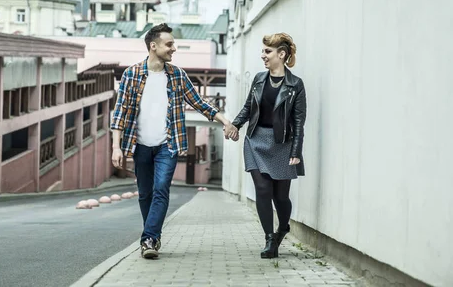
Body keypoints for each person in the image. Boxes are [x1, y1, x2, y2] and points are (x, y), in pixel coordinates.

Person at [110, 23, 238, 259]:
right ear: (153, 46)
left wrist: (225, 121)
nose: (173, 48)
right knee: (145, 194)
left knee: (161, 189)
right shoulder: (132, 74)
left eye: (173, 44)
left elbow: (200, 103)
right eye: (169, 44)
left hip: (167, 145)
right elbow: (120, 112)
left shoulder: (177, 75)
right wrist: (116, 147)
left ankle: (149, 239)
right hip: (139, 145)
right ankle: (151, 235)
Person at [229, 32, 307, 259]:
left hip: (282, 144)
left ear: (281, 54)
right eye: (263, 51)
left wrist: (296, 152)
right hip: (255, 140)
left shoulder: (295, 85)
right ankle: (269, 238)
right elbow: (248, 107)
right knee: (263, 190)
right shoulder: (259, 79)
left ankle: (283, 227)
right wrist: (235, 125)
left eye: (267, 51)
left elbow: (299, 122)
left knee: (280, 197)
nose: (262, 55)